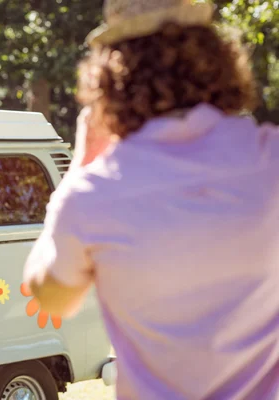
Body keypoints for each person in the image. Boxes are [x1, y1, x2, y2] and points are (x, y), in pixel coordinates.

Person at [23, 0, 279, 399]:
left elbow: (52, 298)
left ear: (109, 78)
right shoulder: (270, 160)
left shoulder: (94, 195)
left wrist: (80, 167)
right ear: (217, 60)